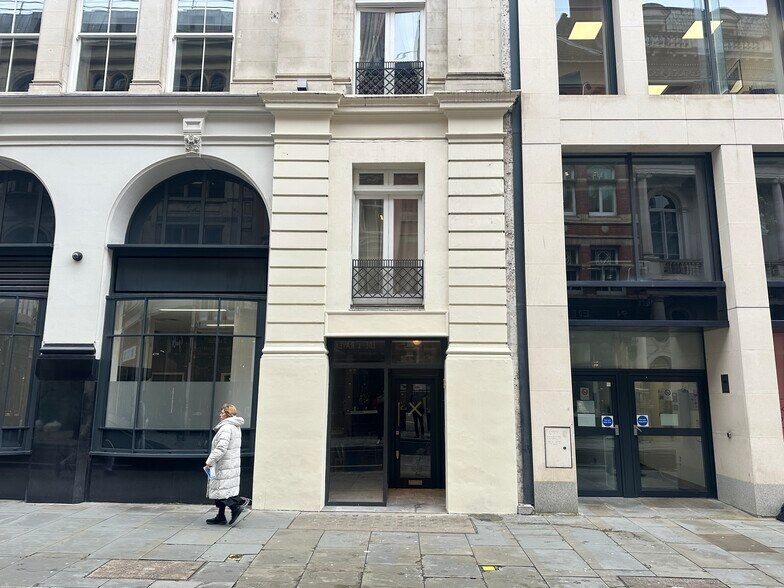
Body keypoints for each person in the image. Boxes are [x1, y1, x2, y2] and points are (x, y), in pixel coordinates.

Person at [204, 404, 247, 525]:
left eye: (222, 413)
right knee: (222, 489)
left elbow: (221, 448)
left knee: (222, 490)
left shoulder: (226, 428)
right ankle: (221, 515)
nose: (220, 415)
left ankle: (235, 507)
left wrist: (209, 462)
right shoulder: (235, 427)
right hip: (229, 463)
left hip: (223, 464)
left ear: (228, 414)